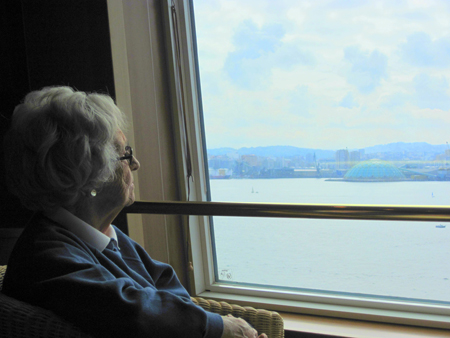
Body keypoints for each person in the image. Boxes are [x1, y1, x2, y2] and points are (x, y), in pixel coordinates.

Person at [2, 86, 267, 338]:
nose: (136, 164)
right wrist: (219, 327)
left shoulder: (101, 235)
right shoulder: (46, 257)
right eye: (125, 155)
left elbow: (165, 284)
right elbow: (132, 312)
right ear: (86, 175)